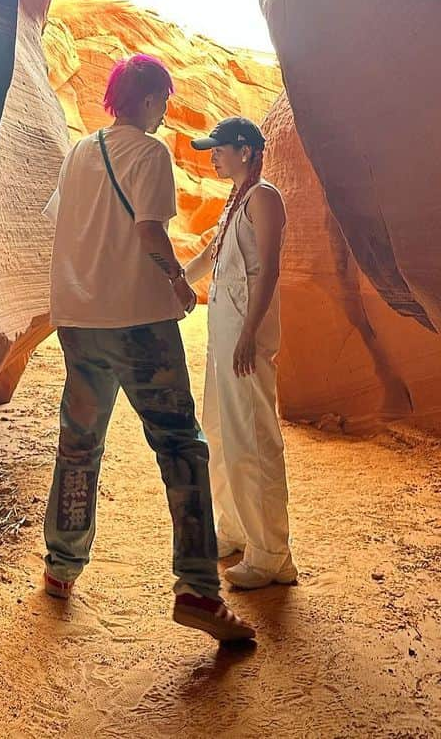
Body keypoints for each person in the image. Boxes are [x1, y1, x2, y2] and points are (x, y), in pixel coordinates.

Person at [41, 54, 255, 643]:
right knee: (181, 447)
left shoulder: (80, 151)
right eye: (163, 101)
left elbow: (64, 223)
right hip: (138, 323)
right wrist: (181, 285)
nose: (163, 113)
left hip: (80, 321)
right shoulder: (150, 152)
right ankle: (197, 589)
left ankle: (61, 567)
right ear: (148, 100)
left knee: (79, 445)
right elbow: (147, 231)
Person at [184, 116, 296, 590]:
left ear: (246, 151)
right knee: (221, 432)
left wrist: (250, 333)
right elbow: (210, 256)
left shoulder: (264, 197)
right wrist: (173, 281)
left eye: (220, 148)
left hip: (244, 339)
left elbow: (269, 270)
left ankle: (271, 554)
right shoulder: (237, 200)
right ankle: (234, 530)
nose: (214, 155)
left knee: (252, 438)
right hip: (224, 339)